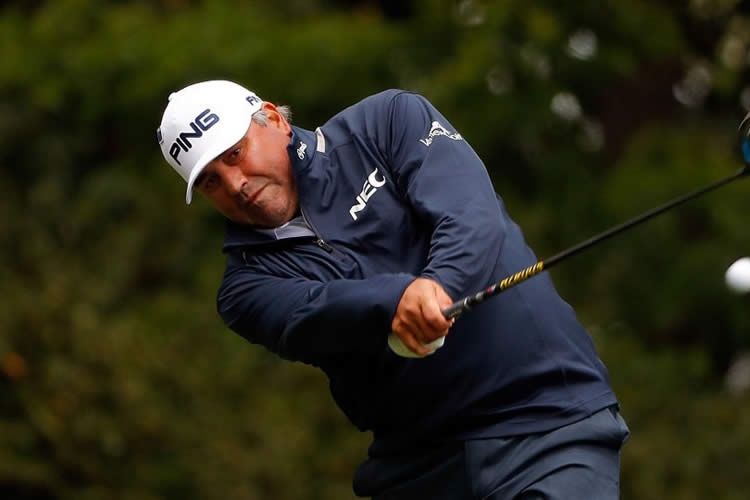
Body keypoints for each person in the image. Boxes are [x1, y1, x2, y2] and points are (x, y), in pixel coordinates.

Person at [157, 80, 629, 499]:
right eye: (211, 181)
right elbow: (320, 311)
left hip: (549, 418)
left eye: (234, 154)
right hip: (418, 468)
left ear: (275, 120)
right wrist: (398, 299)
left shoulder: (386, 122)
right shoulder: (244, 287)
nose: (236, 184)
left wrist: (439, 285)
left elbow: (471, 216)